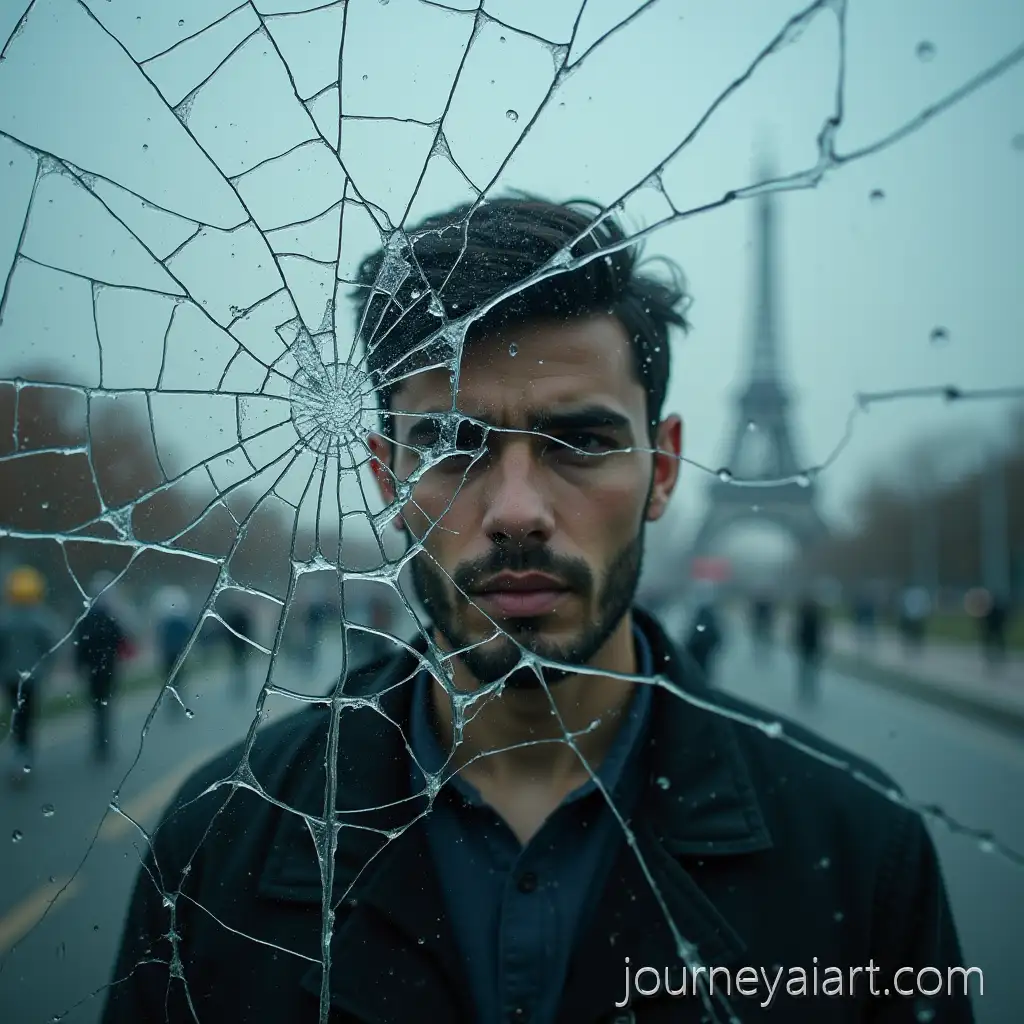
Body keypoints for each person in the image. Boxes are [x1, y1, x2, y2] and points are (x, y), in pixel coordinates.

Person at [103, 199, 973, 1023]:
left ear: (663, 470)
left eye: (582, 442)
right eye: (449, 443)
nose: (518, 510)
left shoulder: (868, 853)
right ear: (383, 475)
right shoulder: (210, 842)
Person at [0, 565, 60, 780]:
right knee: (28, 716)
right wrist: (48, 670)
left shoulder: (5, 619)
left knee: (16, 714)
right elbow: (52, 647)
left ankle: (19, 752)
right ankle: (25, 755)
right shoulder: (41, 618)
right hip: (33, 678)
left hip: (9, 677)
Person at [73, 573, 128, 762]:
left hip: (92, 669)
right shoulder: (110, 618)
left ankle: (99, 740)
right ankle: (103, 741)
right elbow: (122, 641)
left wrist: (79, 665)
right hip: (109, 669)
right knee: (105, 705)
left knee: (97, 706)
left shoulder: (86, 619)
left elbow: (80, 645)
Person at [792, 593, 827, 706]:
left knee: (804, 671)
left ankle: (804, 692)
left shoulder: (803, 616)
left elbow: (798, 631)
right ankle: (810, 693)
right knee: (811, 671)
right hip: (812, 646)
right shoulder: (817, 616)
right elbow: (821, 633)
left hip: (806, 646)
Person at [683, 599, 723, 681]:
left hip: (698, 657)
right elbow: (717, 639)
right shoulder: (710, 626)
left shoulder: (700, 626)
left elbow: (691, 642)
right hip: (704, 656)